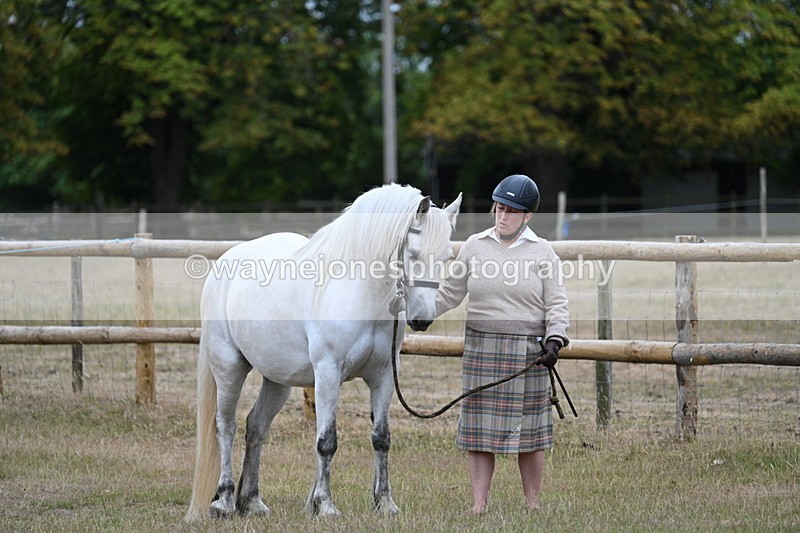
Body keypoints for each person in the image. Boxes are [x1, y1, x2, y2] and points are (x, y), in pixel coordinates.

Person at [435, 174, 570, 514]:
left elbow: (557, 303)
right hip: (482, 348)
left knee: (531, 435)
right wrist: (421, 313)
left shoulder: (543, 252)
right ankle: (479, 505)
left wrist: (555, 338)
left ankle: (533, 504)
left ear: (528, 216)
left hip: (528, 353)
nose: (503, 215)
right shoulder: (474, 245)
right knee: (479, 434)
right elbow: (450, 293)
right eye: (499, 207)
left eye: (512, 210)